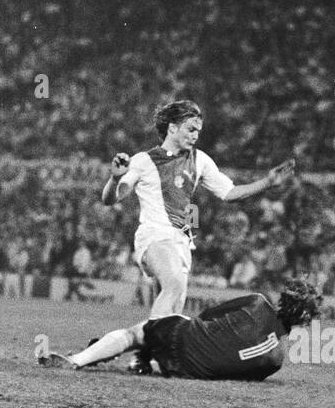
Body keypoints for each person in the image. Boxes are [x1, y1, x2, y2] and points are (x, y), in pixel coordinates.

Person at [101, 99, 295, 319]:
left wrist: (268, 182)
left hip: (182, 242)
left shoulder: (200, 160)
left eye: (198, 131)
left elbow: (230, 193)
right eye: (190, 129)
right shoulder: (143, 160)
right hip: (155, 236)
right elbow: (111, 199)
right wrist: (115, 179)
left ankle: (130, 351)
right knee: (172, 286)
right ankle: (145, 350)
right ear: (172, 127)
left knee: (172, 316)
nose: (195, 135)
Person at [41, 279, 322, 382]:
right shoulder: (276, 358)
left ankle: (79, 360)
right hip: (190, 371)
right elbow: (237, 372)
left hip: (183, 335)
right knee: (205, 359)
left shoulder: (257, 302)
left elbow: (208, 315)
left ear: (284, 298)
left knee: (136, 333)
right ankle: (147, 362)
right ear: (305, 322)